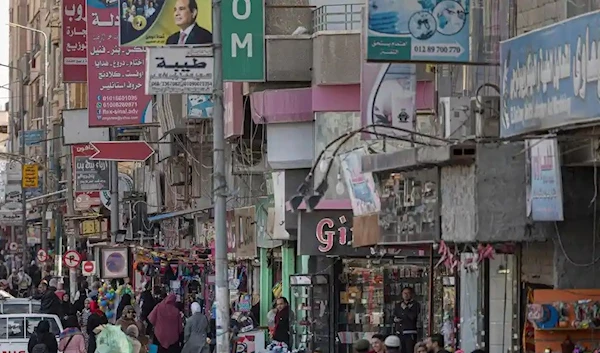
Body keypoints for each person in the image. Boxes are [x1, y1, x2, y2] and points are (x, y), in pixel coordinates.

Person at [394, 287, 421, 353]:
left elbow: (413, 316)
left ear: (411, 294)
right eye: (404, 293)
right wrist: (395, 319)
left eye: (408, 293)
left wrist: (406, 308)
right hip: (400, 332)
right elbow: (394, 315)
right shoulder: (398, 305)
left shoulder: (416, 305)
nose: (406, 295)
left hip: (410, 332)